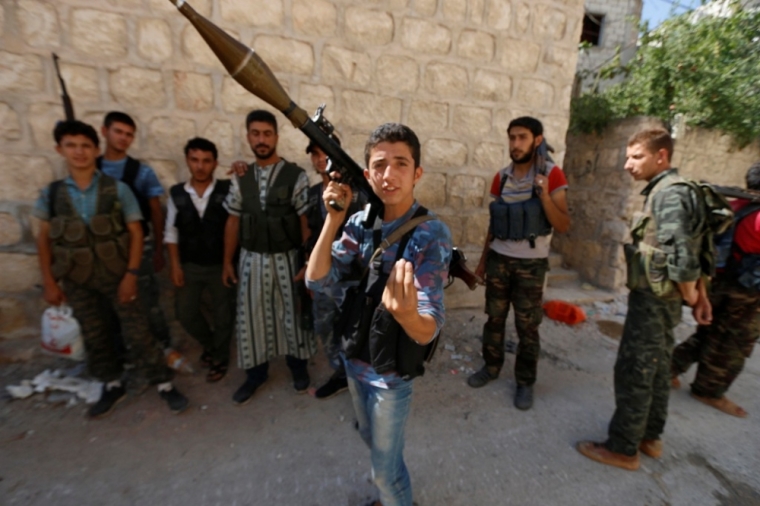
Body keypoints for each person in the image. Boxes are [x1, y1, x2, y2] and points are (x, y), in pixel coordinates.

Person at [306, 123, 452, 506]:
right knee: (371, 440)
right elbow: (316, 280)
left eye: (401, 164)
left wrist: (406, 315)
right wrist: (332, 220)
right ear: (368, 174)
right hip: (356, 361)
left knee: (384, 473)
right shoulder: (360, 223)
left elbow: (428, 328)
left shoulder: (431, 234)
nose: (389, 175)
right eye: (380, 165)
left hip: (391, 374)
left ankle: (394, 495)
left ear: (417, 173)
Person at [577, 128, 713, 471]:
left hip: (654, 301)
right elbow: (697, 247)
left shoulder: (668, 194)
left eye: (636, 156)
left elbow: (682, 257)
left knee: (635, 370)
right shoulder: (680, 190)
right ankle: (650, 438)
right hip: (663, 300)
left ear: (661, 156)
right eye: (627, 156)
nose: (627, 164)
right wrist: (699, 296)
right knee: (657, 369)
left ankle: (624, 448)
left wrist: (692, 296)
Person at [34, 120, 188, 418]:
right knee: (95, 334)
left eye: (84, 146)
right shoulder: (52, 194)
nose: (79, 152)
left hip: (117, 276)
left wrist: (131, 275)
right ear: (59, 149)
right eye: (71, 145)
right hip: (78, 280)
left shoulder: (117, 190)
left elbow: (135, 233)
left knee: (138, 332)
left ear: (95, 149)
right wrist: (49, 281)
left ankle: (164, 384)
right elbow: (43, 238)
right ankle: (112, 384)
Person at [467, 116, 570, 411]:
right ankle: (491, 366)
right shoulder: (501, 177)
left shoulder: (553, 175)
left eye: (522, 137)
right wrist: (483, 262)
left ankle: (525, 382)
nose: (515, 143)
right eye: (512, 137)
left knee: (528, 327)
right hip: (499, 260)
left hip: (531, 266)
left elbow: (563, 224)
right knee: (494, 318)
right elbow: (495, 222)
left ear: (537, 140)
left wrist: (544, 195)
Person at [222, 109, 315, 405]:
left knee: (292, 315)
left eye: (267, 133)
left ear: (276, 136)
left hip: (287, 260)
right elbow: (233, 222)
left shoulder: (295, 176)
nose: (261, 140)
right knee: (252, 318)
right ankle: (256, 375)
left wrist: (307, 263)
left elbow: (304, 222)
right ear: (248, 136)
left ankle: (298, 368)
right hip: (251, 261)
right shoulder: (240, 177)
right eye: (255, 133)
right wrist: (227, 261)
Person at [671, 161, 760, 418]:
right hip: (744, 292)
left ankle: (669, 369)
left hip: (719, 283)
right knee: (732, 343)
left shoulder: (737, 205)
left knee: (709, 333)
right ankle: (709, 390)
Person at [98, 111, 173, 352]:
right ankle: (122, 355)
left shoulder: (141, 172)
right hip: (102, 249)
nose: (123, 138)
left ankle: (163, 350)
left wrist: (159, 249)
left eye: (129, 134)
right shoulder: (90, 168)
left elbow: (155, 212)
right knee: (106, 307)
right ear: (104, 132)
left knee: (148, 303)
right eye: (118, 131)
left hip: (138, 246)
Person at [165, 138, 235, 383]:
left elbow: (233, 225)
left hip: (220, 265)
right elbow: (170, 233)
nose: (200, 166)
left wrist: (228, 263)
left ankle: (220, 358)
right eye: (195, 160)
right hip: (190, 265)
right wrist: (175, 265)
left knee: (224, 315)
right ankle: (212, 346)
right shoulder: (177, 194)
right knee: (185, 313)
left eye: (206, 161)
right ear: (187, 161)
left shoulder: (227, 190)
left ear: (215, 163)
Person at [304, 136, 368, 399]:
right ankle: (341, 374)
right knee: (326, 329)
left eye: (326, 153)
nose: (321, 158)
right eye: (315, 153)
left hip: (353, 280)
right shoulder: (311, 194)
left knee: (358, 337)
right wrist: (310, 267)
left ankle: (363, 389)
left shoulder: (360, 195)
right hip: (323, 279)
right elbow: (310, 235)